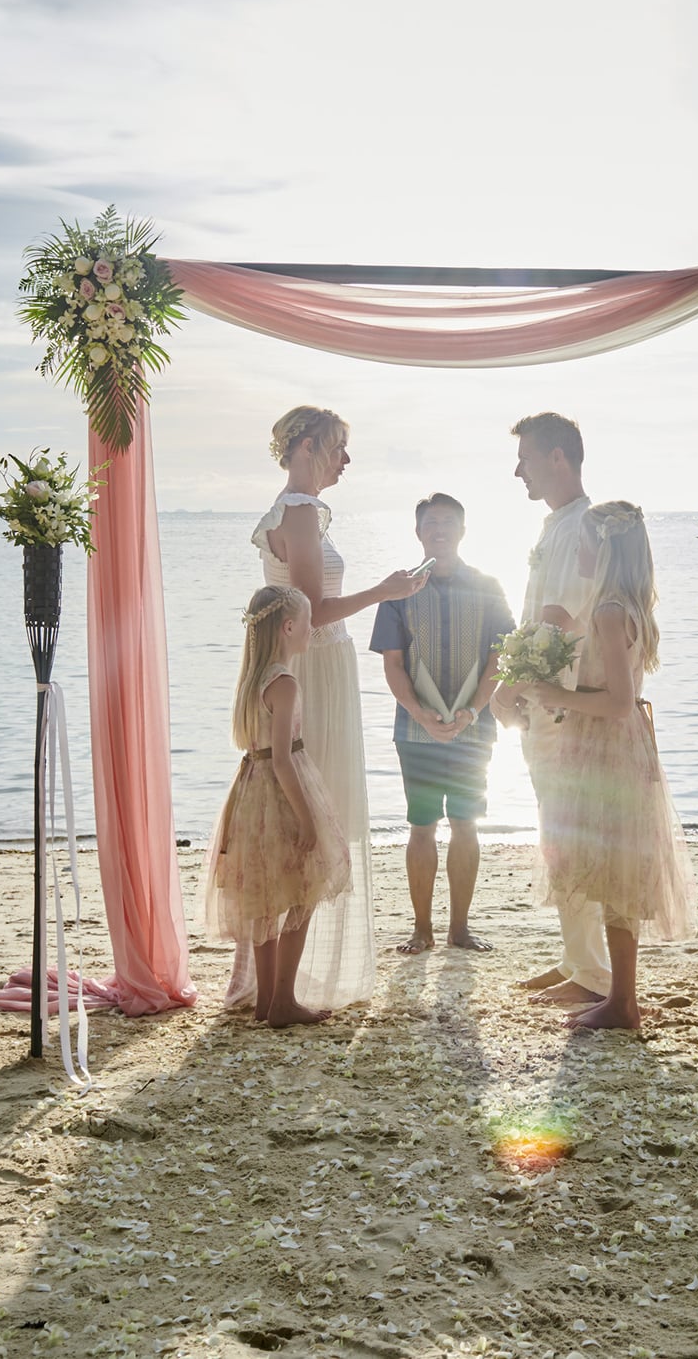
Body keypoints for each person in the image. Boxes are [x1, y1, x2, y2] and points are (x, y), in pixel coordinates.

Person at [235, 405, 426, 1011]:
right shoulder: (300, 511)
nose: (346, 460)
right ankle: (280, 991)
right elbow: (312, 608)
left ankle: (276, 987)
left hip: (318, 666)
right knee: (311, 815)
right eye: (341, 447)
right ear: (311, 445)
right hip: (313, 670)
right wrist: (384, 593)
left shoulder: (296, 511)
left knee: (307, 814)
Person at [512, 501, 693, 1030]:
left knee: (616, 872)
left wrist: (553, 692)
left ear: (606, 550)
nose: (580, 551)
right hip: (612, 742)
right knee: (615, 869)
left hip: (609, 745)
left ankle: (622, 1002)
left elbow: (617, 700)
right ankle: (620, 996)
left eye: (587, 544)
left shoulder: (611, 611)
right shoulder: (624, 604)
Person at [492, 410, 610, 1005]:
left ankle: (592, 973)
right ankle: (576, 959)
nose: (519, 471)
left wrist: (510, 682)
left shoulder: (580, 526)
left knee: (569, 831)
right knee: (555, 829)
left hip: (561, 704)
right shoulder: (557, 525)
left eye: (528, 458)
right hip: (544, 700)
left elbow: (559, 620)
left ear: (558, 458)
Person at [370, 492, 514, 955]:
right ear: (417, 532)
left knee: (467, 823)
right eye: (431, 523)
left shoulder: (489, 586)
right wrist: (419, 715)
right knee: (422, 825)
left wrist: (473, 710)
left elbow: (500, 656)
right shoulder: (399, 592)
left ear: (464, 530)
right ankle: (421, 929)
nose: (440, 531)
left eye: (449, 522)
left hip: (476, 726)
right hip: (416, 730)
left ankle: (460, 929)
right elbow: (393, 665)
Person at [203, 586, 349, 1026]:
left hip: (250, 790)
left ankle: (267, 1003)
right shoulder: (283, 683)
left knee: (265, 901)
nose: (311, 630)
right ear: (289, 628)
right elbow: (284, 760)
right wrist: (306, 817)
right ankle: (283, 1000)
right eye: (307, 623)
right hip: (281, 791)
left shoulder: (253, 677)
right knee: (303, 891)